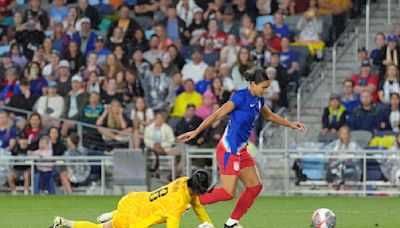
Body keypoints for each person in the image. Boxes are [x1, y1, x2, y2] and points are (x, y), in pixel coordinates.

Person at [178, 67, 307, 228]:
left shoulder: (259, 100)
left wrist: (290, 124)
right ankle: (187, 201)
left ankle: (231, 223)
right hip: (228, 149)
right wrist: (196, 132)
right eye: (264, 87)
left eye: (267, 87)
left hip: (241, 150)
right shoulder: (239, 97)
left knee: (255, 187)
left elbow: (269, 115)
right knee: (227, 193)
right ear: (253, 84)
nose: (266, 91)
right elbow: (217, 115)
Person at [52, 170, 214, 228]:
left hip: (134, 200)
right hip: (136, 219)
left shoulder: (185, 181)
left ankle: (64, 222)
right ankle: (115, 215)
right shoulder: (176, 205)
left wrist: (210, 225)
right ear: (198, 190)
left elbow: (198, 207)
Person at [325, 126, 362, 190]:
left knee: (342, 166)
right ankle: (330, 189)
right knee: (330, 167)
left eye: (346, 133)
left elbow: (361, 154)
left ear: (349, 134)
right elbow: (326, 150)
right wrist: (331, 157)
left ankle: (342, 188)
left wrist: (353, 158)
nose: (344, 135)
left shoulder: (354, 144)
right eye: (342, 133)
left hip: (350, 165)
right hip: (336, 164)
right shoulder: (335, 143)